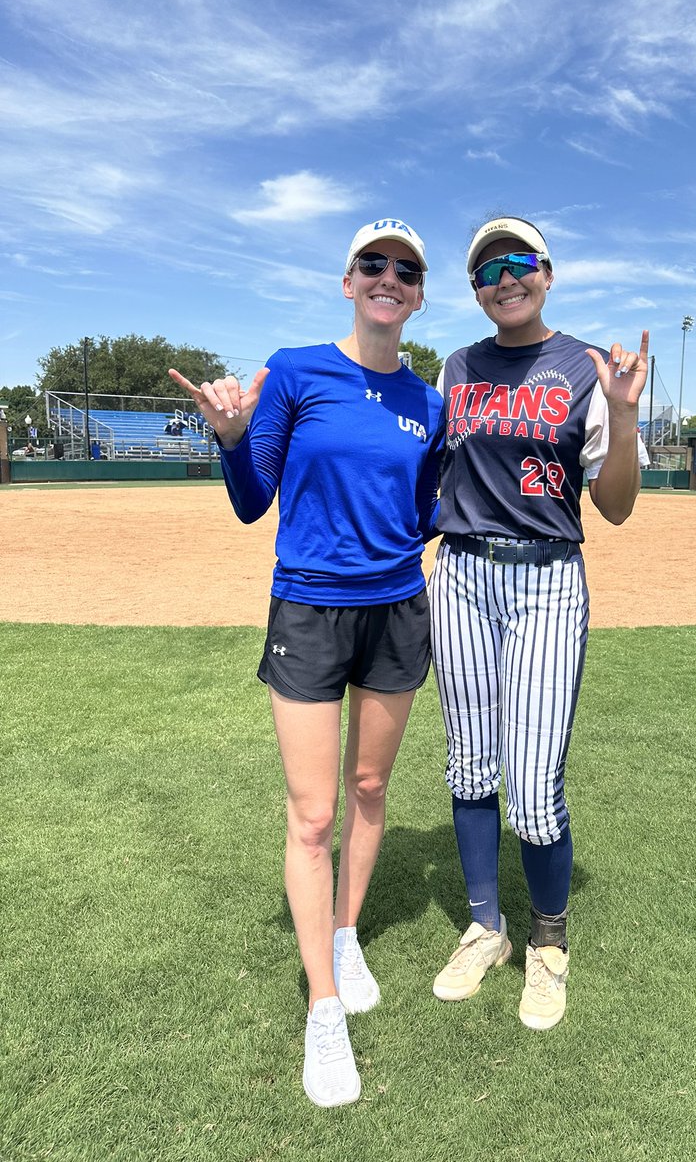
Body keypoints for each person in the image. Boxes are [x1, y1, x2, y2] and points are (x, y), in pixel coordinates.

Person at [169, 218, 444, 1108]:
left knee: (370, 790)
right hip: (311, 608)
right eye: (375, 264)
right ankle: (323, 1012)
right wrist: (229, 436)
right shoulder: (295, 369)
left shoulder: (429, 402)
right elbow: (255, 501)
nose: (388, 278)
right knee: (314, 811)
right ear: (348, 280)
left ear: (418, 293)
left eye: (405, 270)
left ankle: (347, 932)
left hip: (399, 607)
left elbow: (431, 507)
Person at [429, 216, 648, 1031]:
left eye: (520, 261)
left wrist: (623, 418)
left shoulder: (586, 366)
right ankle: (486, 927)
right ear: (476, 288)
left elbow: (617, 508)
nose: (504, 277)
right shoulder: (457, 366)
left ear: (547, 274)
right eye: (488, 268)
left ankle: (547, 943)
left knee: (533, 785)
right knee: (469, 765)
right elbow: (432, 477)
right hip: (459, 576)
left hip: (548, 579)